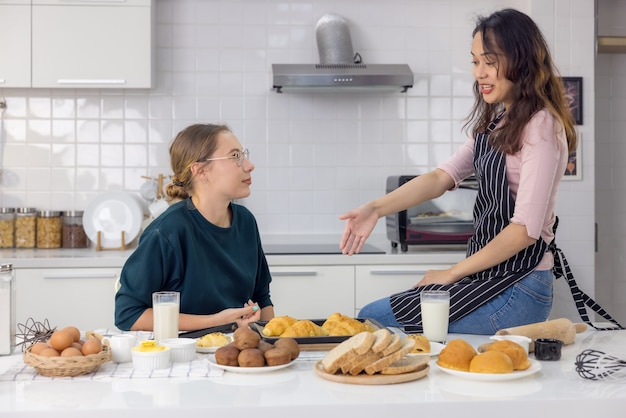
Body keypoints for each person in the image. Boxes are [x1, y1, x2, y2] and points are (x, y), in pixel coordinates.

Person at [338, 8, 578, 335]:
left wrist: (452, 272)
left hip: (519, 287)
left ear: (522, 60)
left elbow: (525, 230)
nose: (479, 72)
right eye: (475, 61)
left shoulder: (541, 126)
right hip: (490, 277)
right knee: (373, 320)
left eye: (490, 61)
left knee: (374, 320)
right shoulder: (498, 123)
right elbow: (441, 178)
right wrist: (375, 209)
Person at [115, 123, 275, 332]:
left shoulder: (246, 222)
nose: (249, 165)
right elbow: (128, 314)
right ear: (200, 171)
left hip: (238, 352)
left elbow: (262, 298)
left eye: (243, 155)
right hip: (182, 357)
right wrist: (218, 321)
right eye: (235, 156)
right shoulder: (167, 232)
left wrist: (270, 339)